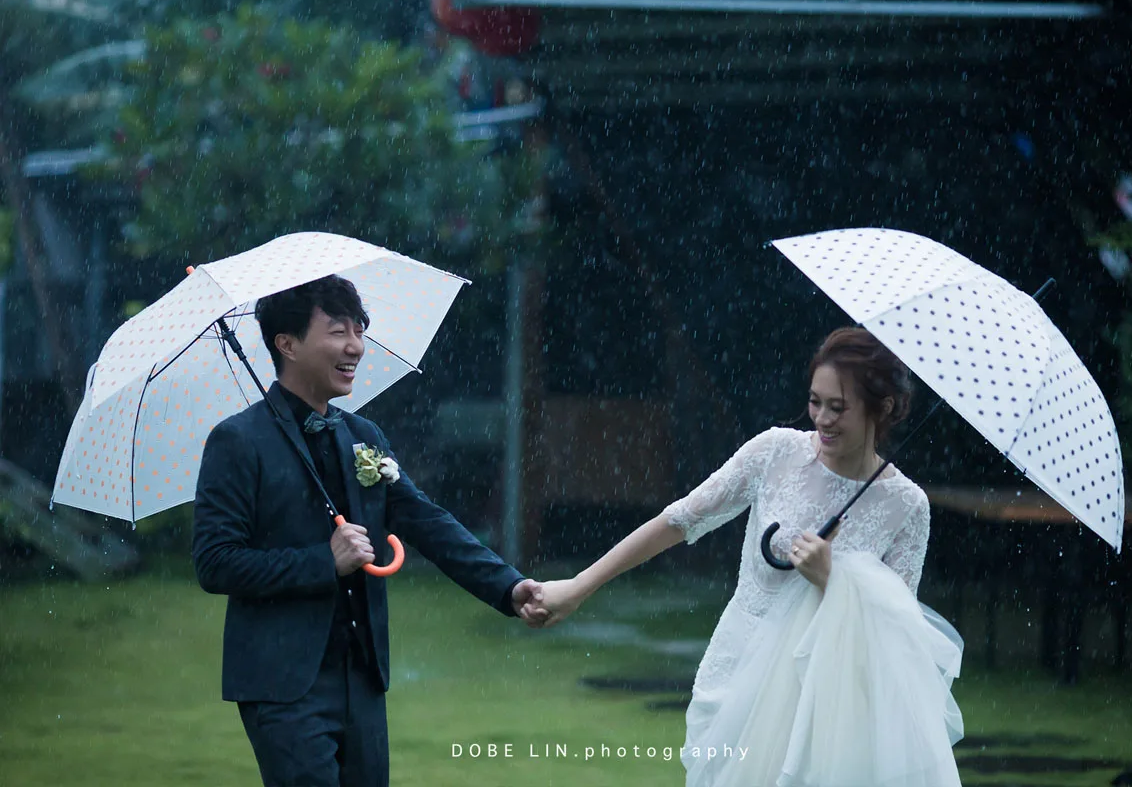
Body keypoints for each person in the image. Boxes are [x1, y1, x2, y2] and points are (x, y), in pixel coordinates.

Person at [533, 327, 964, 786]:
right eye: (815, 401)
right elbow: (679, 521)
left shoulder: (907, 506)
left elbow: (895, 644)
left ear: (884, 407)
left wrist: (832, 579)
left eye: (838, 407)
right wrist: (578, 587)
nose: (822, 418)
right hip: (737, 672)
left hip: (826, 702)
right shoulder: (775, 451)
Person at [192, 275, 547, 787]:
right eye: (338, 331)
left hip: (363, 678)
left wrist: (509, 587)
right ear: (287, 344)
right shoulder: (237, 441)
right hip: (282, 686)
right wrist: (324, 560)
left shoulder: (363, 436)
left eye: (360, 329)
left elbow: (427, 522)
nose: (356, 346)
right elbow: (215, 562)